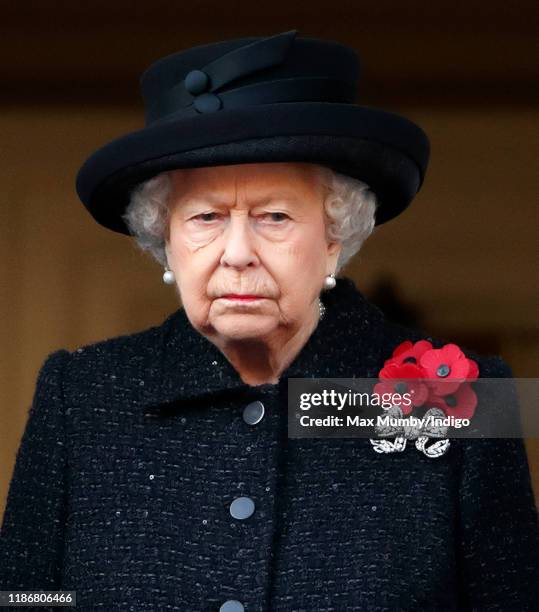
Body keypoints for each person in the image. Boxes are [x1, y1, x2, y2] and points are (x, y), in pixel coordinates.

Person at [1, 30, 537, 612]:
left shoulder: (468, 397)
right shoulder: (79, 395)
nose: (237, 253)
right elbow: (24, 595)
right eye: (205, 217)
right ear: (166, 240)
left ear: (335, 236)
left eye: (274, 216)